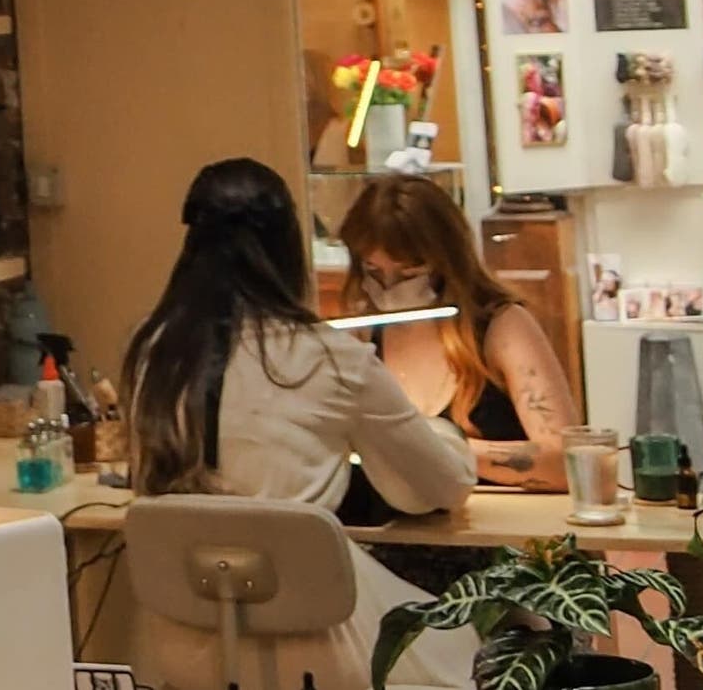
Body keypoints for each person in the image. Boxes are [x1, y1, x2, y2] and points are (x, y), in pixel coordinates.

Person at [124, 159, 478, 689]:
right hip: (316, 642)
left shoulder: (152, 352)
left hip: (182, 645)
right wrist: (446, 436)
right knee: (473, 640)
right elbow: (436, 489)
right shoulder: (332, 358)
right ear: (289, 247)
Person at [338, 172, 576, 491]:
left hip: (499, 518)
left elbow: (566, 463)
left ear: (445, 262)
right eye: (373, 271)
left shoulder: (502, 326)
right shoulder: (361, 334)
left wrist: (436, 449)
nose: (389, 287)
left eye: (409, 271)